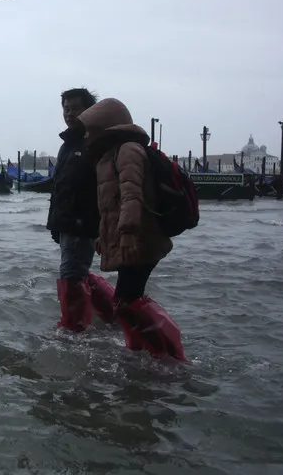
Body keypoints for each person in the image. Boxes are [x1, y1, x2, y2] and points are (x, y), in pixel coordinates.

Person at [76, 97, 187, 361]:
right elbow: (109, 206)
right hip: (132, 238)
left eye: (93, 128)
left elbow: (131, 196)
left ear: (108, 126)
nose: (88, 135)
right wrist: (105, 237)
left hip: (141, 239)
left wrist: (127, 231)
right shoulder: (108, 156)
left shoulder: (127, 151)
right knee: (129, 299)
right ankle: (141, 350)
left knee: (127, 300)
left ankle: (167, 356)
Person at [45, 88, 115, 331]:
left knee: (72, 275)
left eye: (76, 108)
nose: (70, 113)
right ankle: (112, 316)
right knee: (78, 272)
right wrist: (55, 223)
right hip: (66, 222)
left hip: (82, 223)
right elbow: (61, 187)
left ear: (89, 111)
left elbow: (105, 187)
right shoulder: (68, 144)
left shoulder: (94, 143)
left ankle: (73, 330)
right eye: (66, 108)